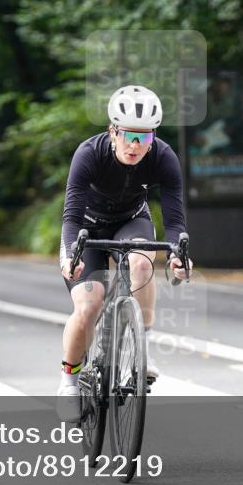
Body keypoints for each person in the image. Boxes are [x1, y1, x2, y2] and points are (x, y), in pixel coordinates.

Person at [57, 85, 193, 419]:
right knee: (89, 305)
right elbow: (71, 215)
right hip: (87, 229)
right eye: (129, 136)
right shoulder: (89, 154)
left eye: (144, 138)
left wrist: (178, 254)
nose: (135, 146)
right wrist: (68, 256)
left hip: (132, 222)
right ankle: (68, 381)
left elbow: (175, 220)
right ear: (112, 131)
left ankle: (142, 349)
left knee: (143, 265)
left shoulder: (163, 157)